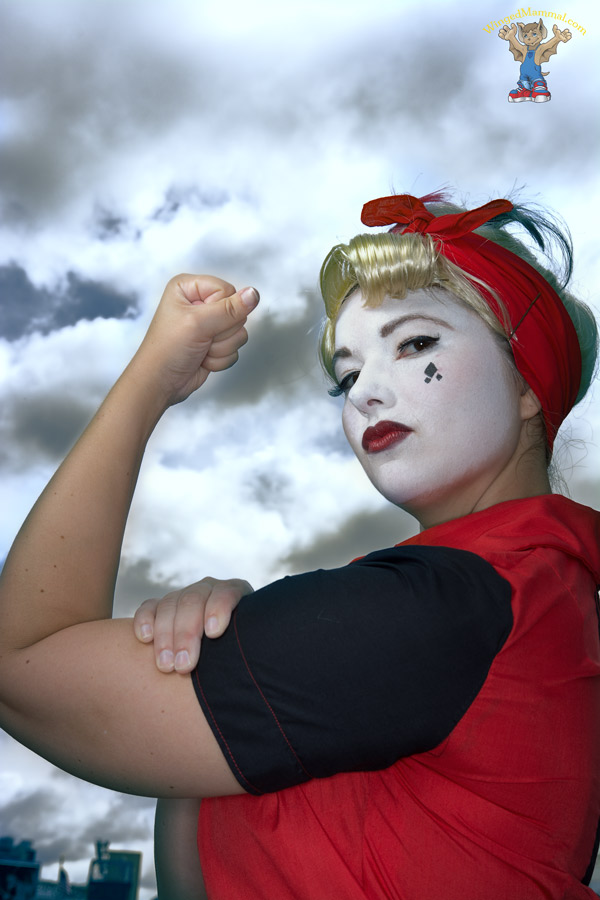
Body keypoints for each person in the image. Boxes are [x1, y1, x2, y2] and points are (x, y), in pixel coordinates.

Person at [0, 191, 598, 900]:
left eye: (414, 343)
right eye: (346, 374)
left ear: (528, 382)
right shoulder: (537, 596)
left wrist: (149, 383)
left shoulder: (439, 607)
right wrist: (247, 645)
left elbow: (22, 660)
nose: (366, 393)